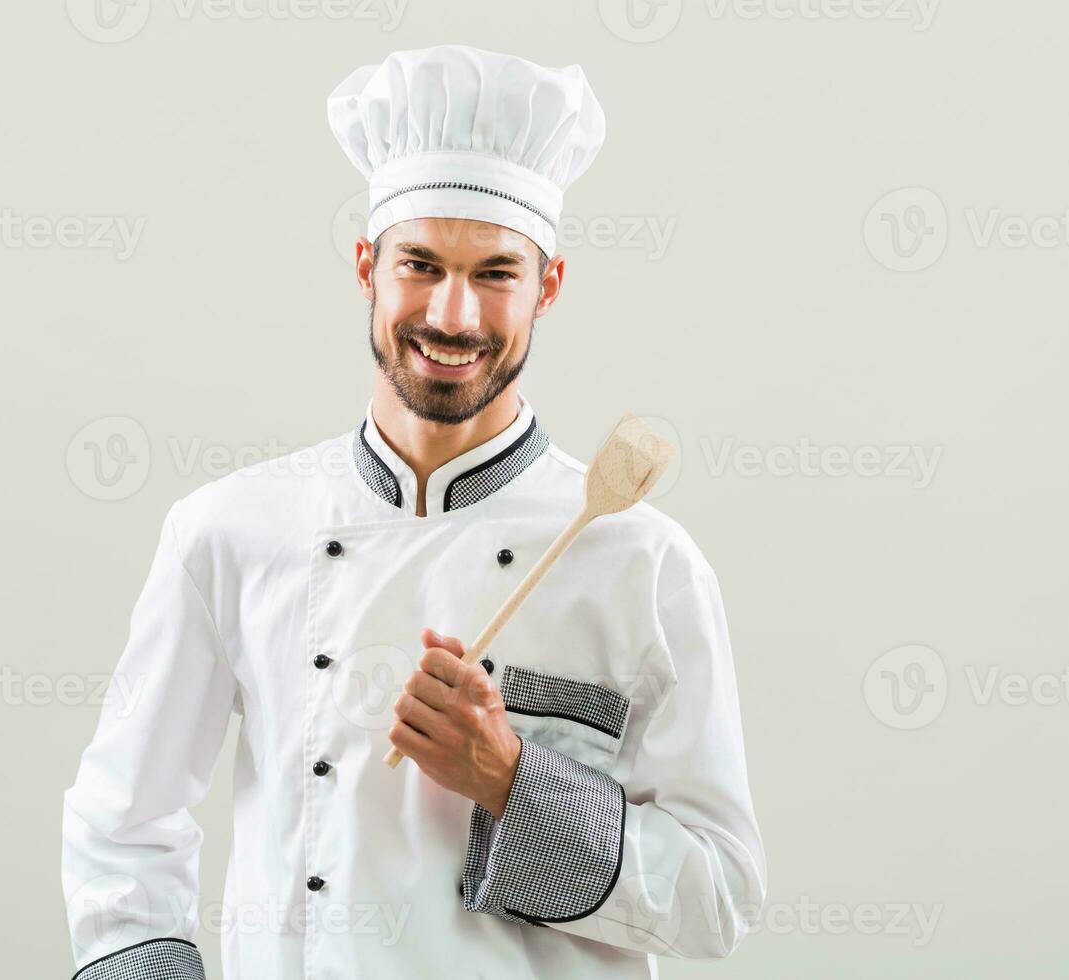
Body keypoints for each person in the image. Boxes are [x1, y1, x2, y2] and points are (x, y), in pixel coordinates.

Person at [61, 43, 767, 980]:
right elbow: (121, 830)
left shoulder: (640, 559)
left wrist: (515, 782)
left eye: (497, 274)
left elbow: (718, 900)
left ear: (548, 285)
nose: (454, 314)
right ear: (367, 265)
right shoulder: (229, 531)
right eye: (421, 264)